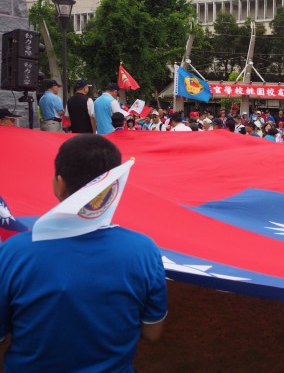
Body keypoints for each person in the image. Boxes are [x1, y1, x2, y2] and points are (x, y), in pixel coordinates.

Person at [0, 135, 167, 371]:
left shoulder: (12, 252)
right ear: (112, 187)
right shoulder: (144, 250)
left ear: (60, 183)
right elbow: (152, 330)